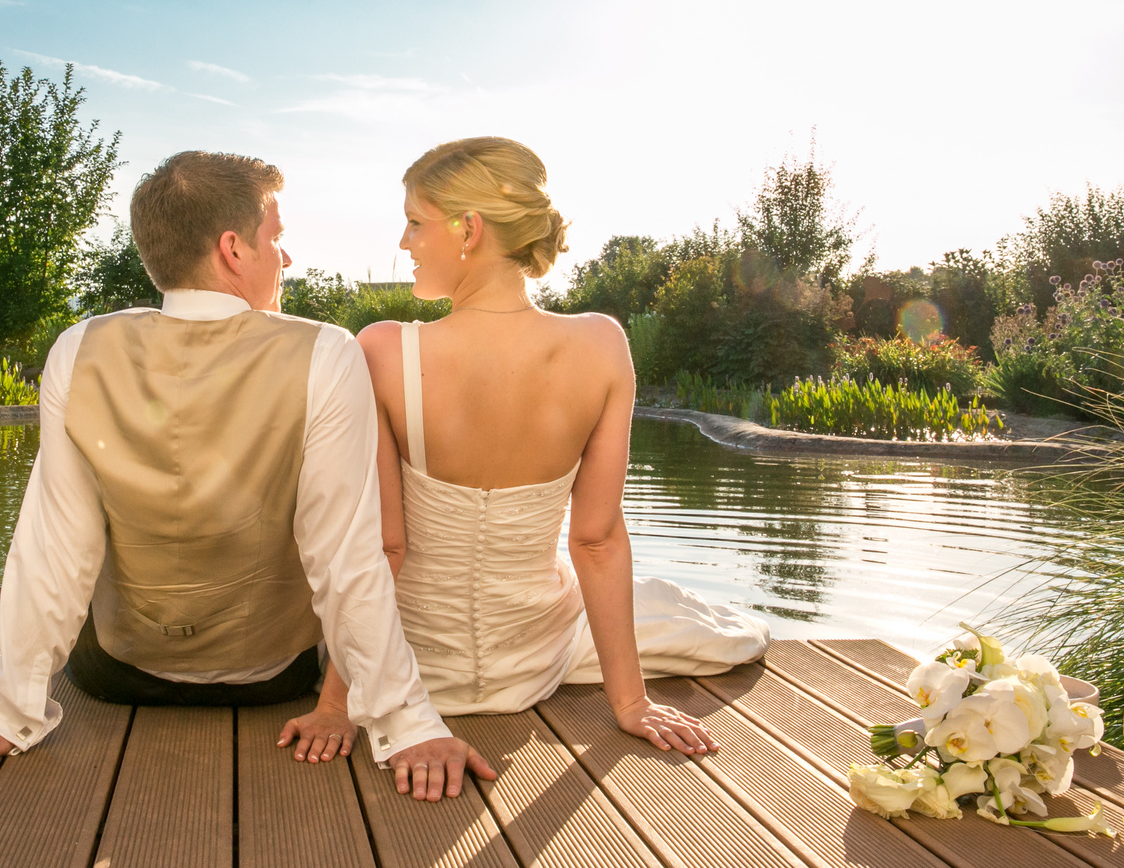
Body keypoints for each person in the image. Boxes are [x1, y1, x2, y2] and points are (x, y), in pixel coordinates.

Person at [0, 150, 494, 801]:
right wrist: (405, 721)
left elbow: (54, 547)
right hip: (269, 678)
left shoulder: (79, 347)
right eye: (277, 239)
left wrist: (5, 710)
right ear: (234, 249)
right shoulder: (326, 352)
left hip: (117, 674)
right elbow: (343, 556)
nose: (286, 259)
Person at [279, 137, 769, 766]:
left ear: (469, 229)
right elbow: (596, 541)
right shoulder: (601, 345)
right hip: (534, 665)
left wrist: (336, 703)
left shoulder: (382, 350)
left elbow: (384, 548)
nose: (404, 243)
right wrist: (631, 704)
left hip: (414, 672)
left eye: (414, 222)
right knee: (726, 630)